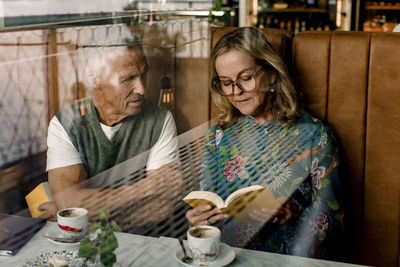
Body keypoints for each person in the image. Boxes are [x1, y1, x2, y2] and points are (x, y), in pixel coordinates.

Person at [186, 27, 343, 259]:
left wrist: (291, 214)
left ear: (271, 73)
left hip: (284, 260)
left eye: (246, 78)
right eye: (226, 82)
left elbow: (332, 220)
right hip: (225, 257)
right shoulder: (217, 136)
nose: (236, 91)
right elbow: (209, 207)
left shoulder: (315, 135)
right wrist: (199, 220)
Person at [39, 27, 182, 231]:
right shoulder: (65, 124)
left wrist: (78, 216)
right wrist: (146, 188)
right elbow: (68, 201)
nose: (141, 89)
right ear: (95, 78)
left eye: (143, 75)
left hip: (139, 244)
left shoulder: (159, 120)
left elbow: (161, 208)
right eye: (128, 79)